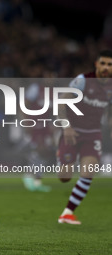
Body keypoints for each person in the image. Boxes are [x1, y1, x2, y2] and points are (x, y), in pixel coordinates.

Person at [57, 49, 112, 224]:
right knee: (64, 177)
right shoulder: (83, 81)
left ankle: (67, 213)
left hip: (93, 134)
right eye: (103, 63)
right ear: (96, 64)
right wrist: (66, 127)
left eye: (110, 64)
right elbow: (61, 101)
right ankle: (61, 157)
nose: (106, 67)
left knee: (89, 171)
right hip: (73, 131)